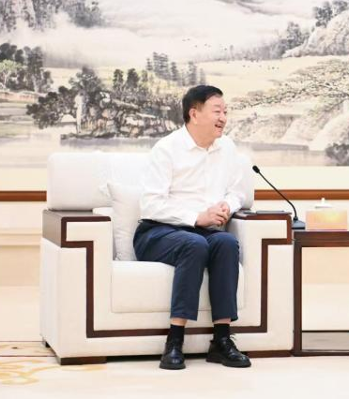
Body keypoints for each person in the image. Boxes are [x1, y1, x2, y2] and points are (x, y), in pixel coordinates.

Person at [134, 85, 251, 370]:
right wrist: (197, 217)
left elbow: (238, 192)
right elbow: (151, 205)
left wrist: (226, 206)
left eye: (225, 112)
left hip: (204, 231)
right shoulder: (167, 149)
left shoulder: (227, 148)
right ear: (194, 114)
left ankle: (221, 341)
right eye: (217, 111)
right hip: (157, 232)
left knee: (226, 243)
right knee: (194, 244)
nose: (223, 118)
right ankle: (174, 341)